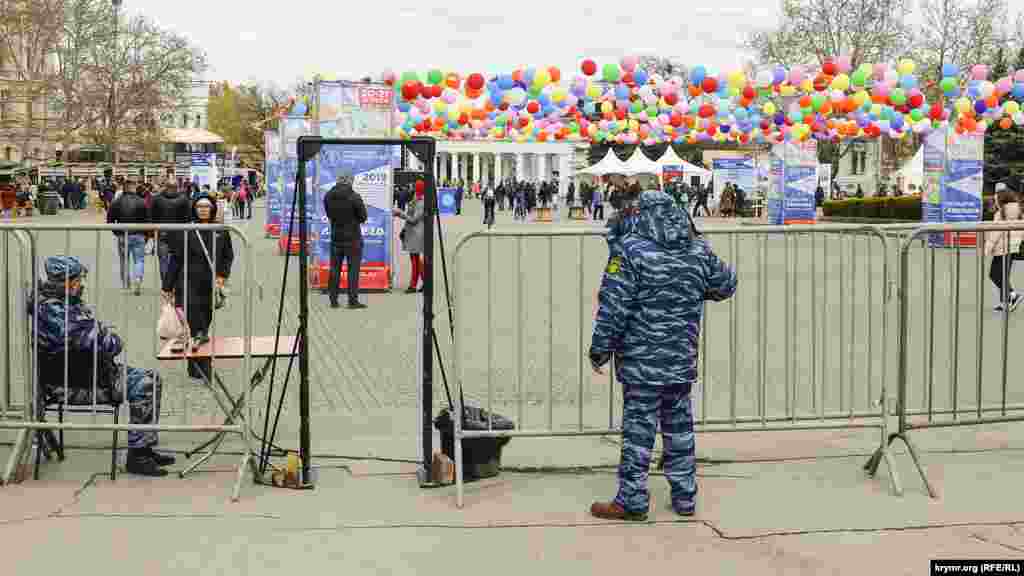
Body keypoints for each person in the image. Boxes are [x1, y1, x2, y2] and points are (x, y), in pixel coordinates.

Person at [588, 191, 736, 520]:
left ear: (640, 214)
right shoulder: (698, 249)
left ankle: (632, 500)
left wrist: (600, 349)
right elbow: (726, 284)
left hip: (642, 362)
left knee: (639, 430)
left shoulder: (630, 250)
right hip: (681, 358)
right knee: (679, 428)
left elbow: (613, 307)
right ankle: (685, 497)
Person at [32, 256, 169, 476]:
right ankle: (138, 456)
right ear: (66, 282)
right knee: (146, 383)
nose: (80, 284)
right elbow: (110, 344)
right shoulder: (57, 312)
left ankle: (144, 447)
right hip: (74, 383)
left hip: (85, 374)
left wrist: (101, 331)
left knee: (151, 378)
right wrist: (105, 333)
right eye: (77, 280)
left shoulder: (55, 304)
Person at [323, 169, 368, 309]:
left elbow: (329, 214)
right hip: (353, 238)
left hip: (336, 237)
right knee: (353, 270)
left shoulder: (328, 196)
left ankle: (333, 300)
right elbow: (363, 217)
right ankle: (352, 301)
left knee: (334, 269)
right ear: (349, 181)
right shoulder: (354, 196)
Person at [106, 182, 151, 295]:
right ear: (134, 189)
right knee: (139, 260)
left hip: (123, 234)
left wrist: (117, 232)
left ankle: (126, 283)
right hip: (139, 235)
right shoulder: (142, 202)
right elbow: (147, 220)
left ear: (123, 189)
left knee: (124, 260)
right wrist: (146, 235)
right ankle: (138, 279)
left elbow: (110, 220)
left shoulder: (116, 202)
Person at [985, 185, 1023, 312]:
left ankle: (1013, 295)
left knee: (994, 275)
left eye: (996, 200)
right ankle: (1005, 303)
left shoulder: (1001, 213)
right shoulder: (1019, 211)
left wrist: (988, 248)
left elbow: (995, 232)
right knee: (1003, 275)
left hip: (1002, 247)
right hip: (1013, 247)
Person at [393, 183, 425, 293]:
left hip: (416, 234)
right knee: (415, 259)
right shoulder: (417, 199)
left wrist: (400, 214)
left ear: (417, 189)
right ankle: (425, 282)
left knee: (415, 260)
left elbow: (414, 219)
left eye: (414, 187)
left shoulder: (421, 202)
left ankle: (413, 285)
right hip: (413, 233)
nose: (411, 189)